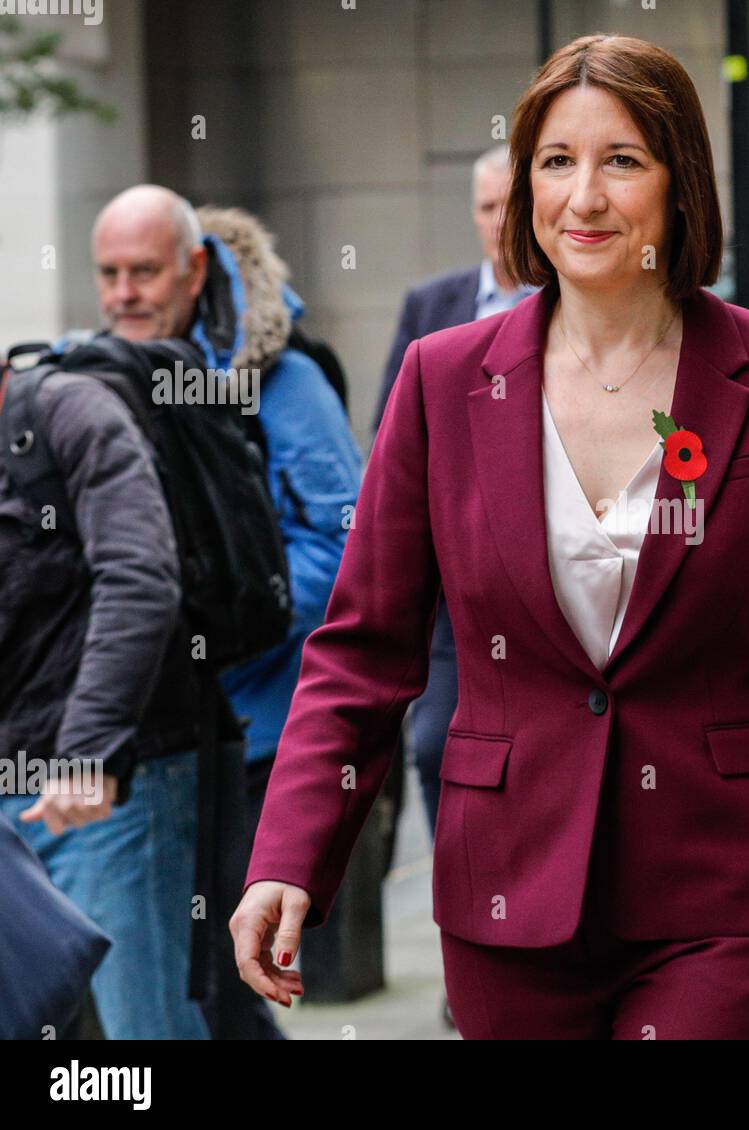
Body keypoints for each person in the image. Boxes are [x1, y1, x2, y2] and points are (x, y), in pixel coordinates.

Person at [233, 34, 749, 1040]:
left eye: (622, 160)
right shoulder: (442, 380)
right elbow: (362, 648)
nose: (585, 197)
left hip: (730, 894)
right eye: (556, 161)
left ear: (679, 183)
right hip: (510, 895)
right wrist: (288, 857)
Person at [0, 192, 229, 1037]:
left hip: (113, 788)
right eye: (110, 273)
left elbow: (140, 578)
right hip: (15, 791)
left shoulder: (70, 413)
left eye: (144, 270)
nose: (125, 290)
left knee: (147, 1029)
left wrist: (87, 751)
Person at [192, 204, 362, 1038]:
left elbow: (342, 541)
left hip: (265, 722)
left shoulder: (285, 381)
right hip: (175, 727)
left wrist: (227, 625)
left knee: (228, 970)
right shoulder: (138, 376)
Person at [374, 144, 537, 844]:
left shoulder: (567, 310)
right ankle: (465, 888)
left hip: (540, 568)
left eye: (511, 205)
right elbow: (392, 434)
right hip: (453, 574)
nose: (500, 222)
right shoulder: (431, 306)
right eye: (487, 207)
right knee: (437, 742)